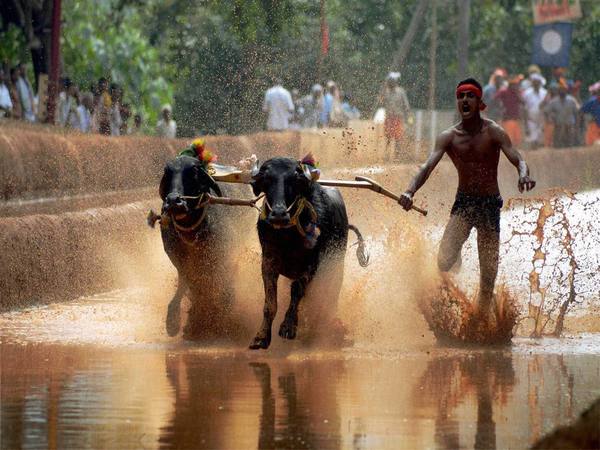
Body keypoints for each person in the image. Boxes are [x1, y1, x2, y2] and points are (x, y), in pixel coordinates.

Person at [398, 78, 535, 325]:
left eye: (470, 96)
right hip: (464, 204)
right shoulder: (448, 137)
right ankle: (457, 253)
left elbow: (517, 157)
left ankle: (480, 326)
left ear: (480, 102)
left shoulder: (494, 131)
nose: (464, 100)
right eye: (460, 96)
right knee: (443, 261)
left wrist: (524, 174)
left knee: (487, 279)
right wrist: (410, 191)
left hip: (489, 207)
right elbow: (427, 166)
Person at [381, 72, 411, 160]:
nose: (390, 83)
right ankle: (386, 156)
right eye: (389, 82)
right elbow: (381, 102)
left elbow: (406, 105)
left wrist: (408, 116)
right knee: (388, 137)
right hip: (389, 117)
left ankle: (397, 156)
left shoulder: (401, 91)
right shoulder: (386, 92)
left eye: (391, 82)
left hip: (398, 117)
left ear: (395, 83)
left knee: (397, 137)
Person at [544, 80, 579, 148]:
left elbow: (576, 112)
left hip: (569, 125)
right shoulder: (554, 101)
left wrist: (577, 124)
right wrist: (549, 119)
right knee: (558, 144)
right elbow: (546, 111)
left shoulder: (571, 100)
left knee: (569, 143)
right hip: (558, 126)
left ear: (566, 91)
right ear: (558, 91)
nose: (562, 91)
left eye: (564, 90)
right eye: (560, 90)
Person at [494, 75, 525, 146]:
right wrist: (500, 107)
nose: (516, 87)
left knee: (518, 139)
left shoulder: (517, 93)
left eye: (516, 85)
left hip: (516, 118)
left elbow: (523, 102)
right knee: (509, 139)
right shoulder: (503, 91)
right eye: (514, 85)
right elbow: (495, 99)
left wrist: (517, 94)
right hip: (507, 118)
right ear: (510, 85)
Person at [522, 73, 547, 149]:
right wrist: (525, 122)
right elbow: (525, 109)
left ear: (540, 83)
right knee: (533, 140)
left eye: (537, 82)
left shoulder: (545, 93)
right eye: (534, 82)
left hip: (542, 120)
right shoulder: (527, 93)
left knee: (540, 141)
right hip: (531, 120)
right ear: (532, 83)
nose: (536, 83)